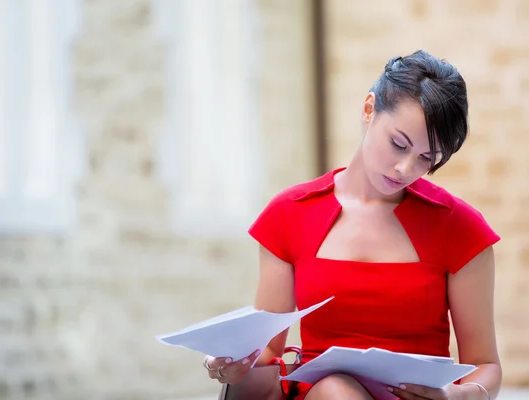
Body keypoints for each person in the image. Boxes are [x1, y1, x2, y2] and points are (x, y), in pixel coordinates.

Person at [202, 50, 501, 400]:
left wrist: (461, 395)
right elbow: (265, 354)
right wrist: (232, 363)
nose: (405, 169)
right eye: (398, 144)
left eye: (426, 158)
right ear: (369, 109)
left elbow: (484, 364)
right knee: (335, 391)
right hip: (322, 395)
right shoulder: (290, 214)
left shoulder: (460, 229)